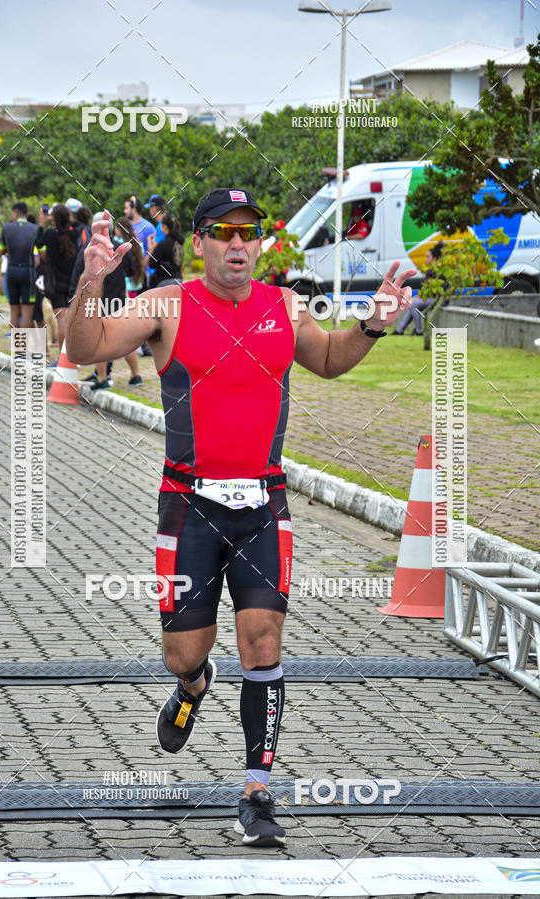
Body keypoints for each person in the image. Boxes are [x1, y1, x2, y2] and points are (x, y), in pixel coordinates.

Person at [66, 187, 415, 847]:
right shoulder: (167, 304)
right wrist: (90, 281)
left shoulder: (284, 306)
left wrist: (372, 323)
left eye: (248, 234)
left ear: (260, 244)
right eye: (222, 233)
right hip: (188, 505)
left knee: (263, 642)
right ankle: (195, 684)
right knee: (182, 653)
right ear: (199, 241)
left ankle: (258, 792)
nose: (237, 245)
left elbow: (331, 360)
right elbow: (87, 346)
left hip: (263, 504)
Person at [69, 212, 140, 389]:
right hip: (119, 298)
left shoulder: (89, 250)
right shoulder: (119, 246)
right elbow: (131, 269)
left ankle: (102, 379)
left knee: (99, 340)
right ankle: (136, 375)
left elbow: (79, 274)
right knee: (126, 339)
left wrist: (73, 296)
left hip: (99, 300)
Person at [36, 204, 78, 352]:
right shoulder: (74, 234)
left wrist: (42, 223)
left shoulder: (50, 234)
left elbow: (38, 242)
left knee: (61, 320)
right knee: (68, 320)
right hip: (72, 282)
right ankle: (71, 355)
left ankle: (63, 357)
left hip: (55, 283)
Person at [0, 202, 40, 329]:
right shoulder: (35, 229)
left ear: (15, 213)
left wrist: (7, 251)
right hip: (28, 272)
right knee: (27, 313)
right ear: (27, 214)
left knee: (14, 312)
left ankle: (17, 348)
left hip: (12, 271)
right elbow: (42, 254)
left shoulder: (6, 228)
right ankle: (28, 347)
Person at [392, 241, 444, 336]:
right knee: (412, 303)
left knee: (414, 304)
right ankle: (400, 330)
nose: (426, 259)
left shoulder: (441, 272)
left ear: (435, 259)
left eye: (428, 257)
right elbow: (424, 288)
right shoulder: (429, 271)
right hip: (429, 298)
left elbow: (438, 291)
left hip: (438, 299)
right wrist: (418, 296)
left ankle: (418, 331)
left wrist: (420, 297)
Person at [147, 213, 184, 288]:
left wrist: (151, 251)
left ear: (164, 227)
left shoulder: (163, 244)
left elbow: (152, 264)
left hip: (164, 282)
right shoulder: (179, 242)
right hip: (178, 280)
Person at [124, 195, 156, 262]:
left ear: (134, 209)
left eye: (126, 208)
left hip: (143, 270)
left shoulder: (149, 227)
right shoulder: (125, 225)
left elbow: (152, 251)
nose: (124, 211)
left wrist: (142, 267)